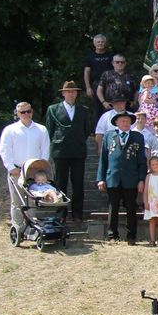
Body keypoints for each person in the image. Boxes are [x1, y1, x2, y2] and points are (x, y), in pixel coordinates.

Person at [96, 111, 146, 245]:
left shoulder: (138, 137)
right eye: (122, 121)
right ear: (116, 123)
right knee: (113, 207)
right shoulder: (108, 136)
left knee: (131, 207)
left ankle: (131, 236)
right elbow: (103, 159)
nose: (125, 123)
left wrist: (141, 179)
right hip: (113, 177)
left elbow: (142, 160)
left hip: (131, 178)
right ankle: (112, 235)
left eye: (128, 121)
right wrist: (101, 178)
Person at [45, 81, 91, 221]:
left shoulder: (83, 110)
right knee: (60, 182)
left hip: (78, 151)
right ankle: (61, 213)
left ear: (77, 93)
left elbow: (87, 130)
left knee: (78, 183)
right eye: (68, 92)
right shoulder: (53, 109)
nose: (71, 94)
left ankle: (77, 212)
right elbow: (50, 129)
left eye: (73, 91)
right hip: (61, 151)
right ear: (63, 93)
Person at [0, 102, 50, 227]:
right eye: (23, 112)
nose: (26, 114)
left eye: (28, 111)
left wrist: (42, 167)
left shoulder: (41, 129)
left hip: (35, 171)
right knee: (17, 201)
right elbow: (5, 150)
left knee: (33, 200)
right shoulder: (10, 130)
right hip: (17, 170)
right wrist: (11, 167)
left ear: (32, 111)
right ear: (17, 113)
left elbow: (45, 149)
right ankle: (18, 227)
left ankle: (32, 226)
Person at [84, 34, 114, 118]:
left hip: (109, 86)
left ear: (105, 43)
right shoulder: (90, 56)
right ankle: (96, 130)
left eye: (102, 42)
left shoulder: (111, 56)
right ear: (94, 43)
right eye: (98, 42)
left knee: (109, 108)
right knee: (97, 109)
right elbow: (86, 72)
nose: (100, 43)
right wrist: (88, 87)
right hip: (96, 85)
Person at [143, 156, 158, 246]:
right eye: (152, 165)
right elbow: (145, 191)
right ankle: (152, 240)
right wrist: (145, 202)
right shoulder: (149, 176)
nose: (155, 166)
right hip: (151, 201)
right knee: (152, 220)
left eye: (156, 164)